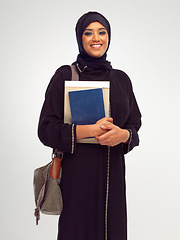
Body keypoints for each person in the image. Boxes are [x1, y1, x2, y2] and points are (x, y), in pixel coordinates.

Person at [38, 11, 142, 240]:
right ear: (80, 38)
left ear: (109, 36)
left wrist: (123, 135)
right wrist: (86, 131)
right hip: (78, 180)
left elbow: (135, 125)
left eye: (102, 32)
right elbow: (45, 129)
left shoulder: (121, 80)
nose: (96, 38)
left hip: (112, 181)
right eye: (89, 33)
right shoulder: (66, 75)